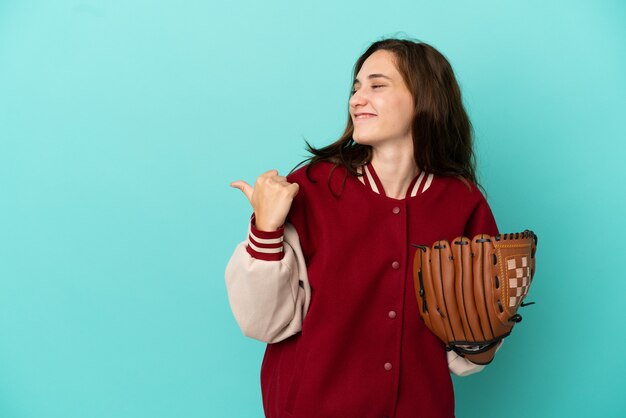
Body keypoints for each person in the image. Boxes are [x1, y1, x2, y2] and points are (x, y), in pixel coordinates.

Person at [225, 37, 501, 418]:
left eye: (376, 85)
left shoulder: (464, 203)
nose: (356, 99)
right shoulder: (312, 187)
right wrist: (266, 232)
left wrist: (486, 330)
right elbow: (263, 323)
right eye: (355, 88)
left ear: (424, 97)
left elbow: (470, 355)